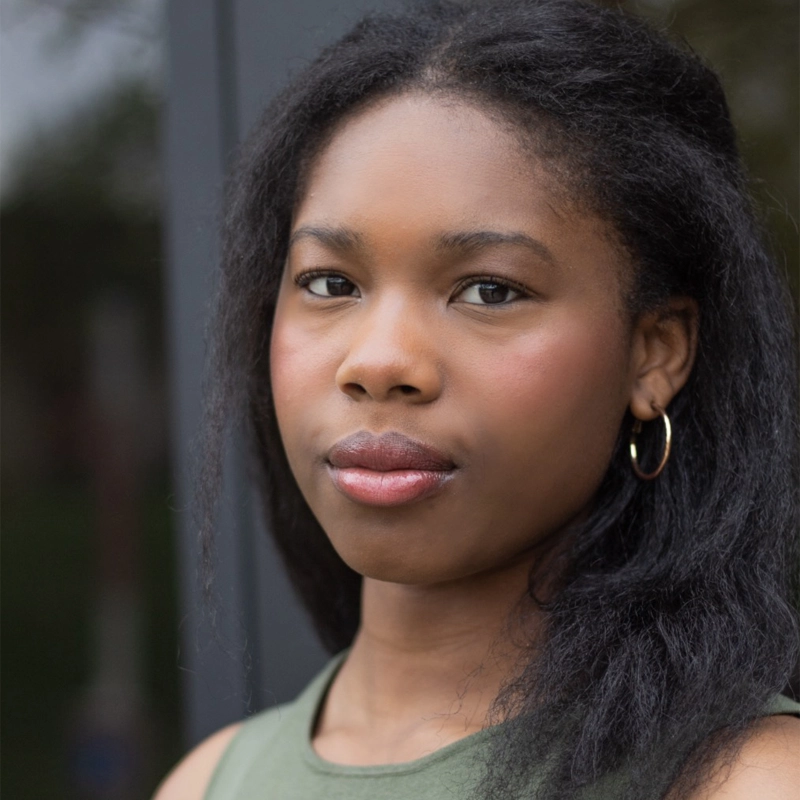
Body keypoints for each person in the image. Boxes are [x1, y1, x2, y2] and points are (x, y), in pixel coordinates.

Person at [154, 1, 800, 797]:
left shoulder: (743, 781)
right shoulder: (208, 782)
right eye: (330, 282)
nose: (380, 361)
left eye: (489, 290)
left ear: (654, 352)